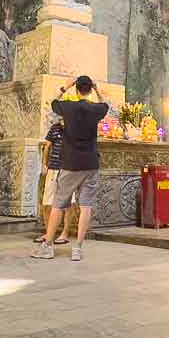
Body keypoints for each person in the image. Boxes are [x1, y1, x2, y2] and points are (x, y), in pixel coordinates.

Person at [31, 75, 110, 261]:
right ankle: (78, 248)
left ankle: (48, 246)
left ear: (76, 89)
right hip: (90, 163)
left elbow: (52, 102)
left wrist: (66, 86)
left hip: (70, 163)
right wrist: (98, 89)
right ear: (90, 90)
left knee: (58, 204)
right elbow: (106, 104)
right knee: (86, 205)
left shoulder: (68, 107)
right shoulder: (96, 109)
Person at [33, 103, 71, 247]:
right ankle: (48, 231)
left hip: (68, 169)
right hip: (53, 168)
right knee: (47, 201)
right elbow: (47, 146)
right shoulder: (55, 128)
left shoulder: (74, 129)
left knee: (68, 203)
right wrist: (44, 164)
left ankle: (65, 232)